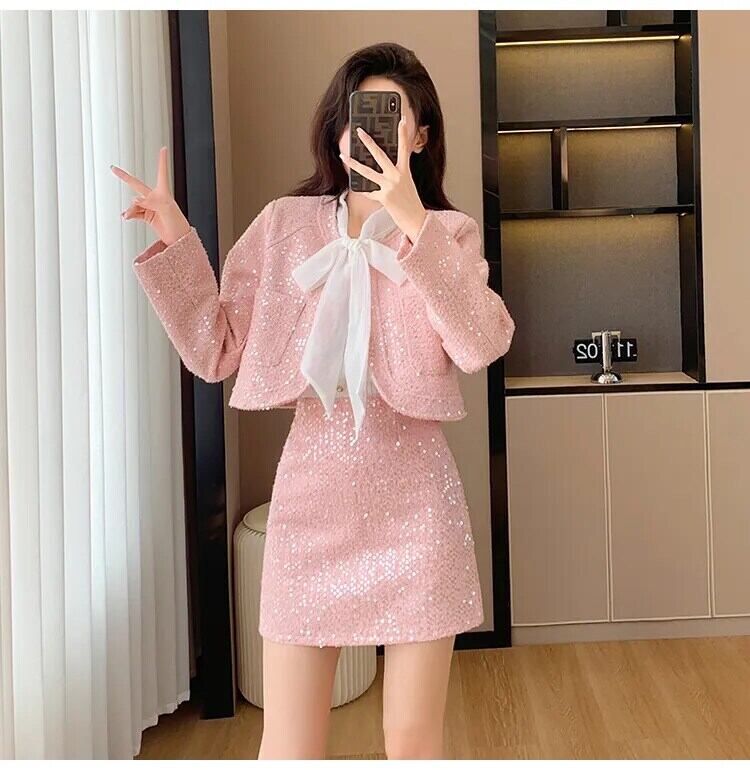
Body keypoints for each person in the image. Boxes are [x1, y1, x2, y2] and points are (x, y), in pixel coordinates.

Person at [112, 41, 515, 760]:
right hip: (310, 510)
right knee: (290, 745)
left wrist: (413, 220)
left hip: (418, 512)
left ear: (421, 136)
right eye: (358, 115)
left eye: (391, 115)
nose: (370, 131)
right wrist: (175, 235)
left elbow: (482, 342)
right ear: (337, 131)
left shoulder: (449, 234)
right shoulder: (284, 226)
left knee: (412, 740)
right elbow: (215, 349)